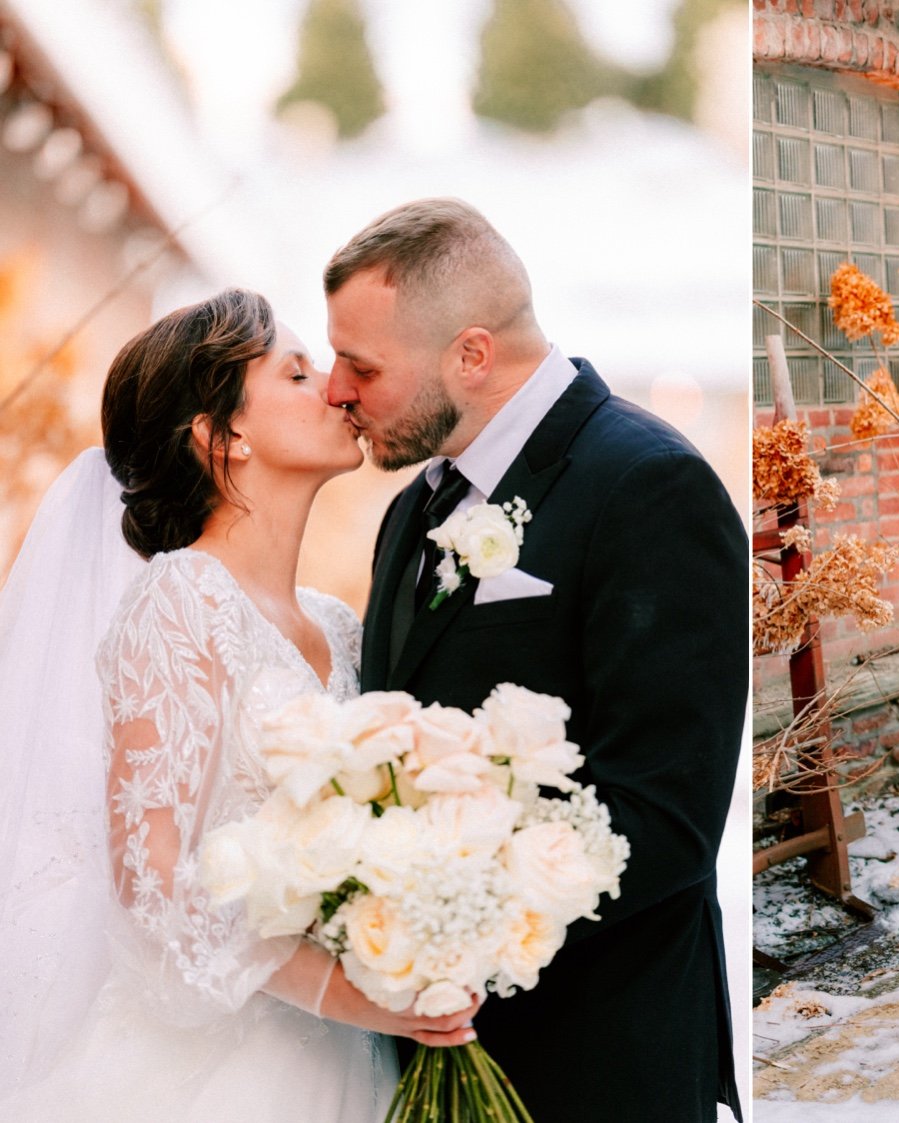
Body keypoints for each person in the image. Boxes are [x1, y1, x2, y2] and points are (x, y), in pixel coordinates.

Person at [0, 290, 479, 1121]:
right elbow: (149, 887)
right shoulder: (180, 599)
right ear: (222, 436)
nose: (335, 388)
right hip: (213, 1077)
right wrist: (355, 995)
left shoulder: (336, 623)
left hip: (348, 1058)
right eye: (297, 372)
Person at [325, 198, 746, 1121]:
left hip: (598, 1057)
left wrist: (453, 922)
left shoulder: (648, 486)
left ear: (470, 355)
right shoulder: (415, 508)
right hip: (427, 1049)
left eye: (361, 366)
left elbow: (667, 816)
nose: (334, 391)